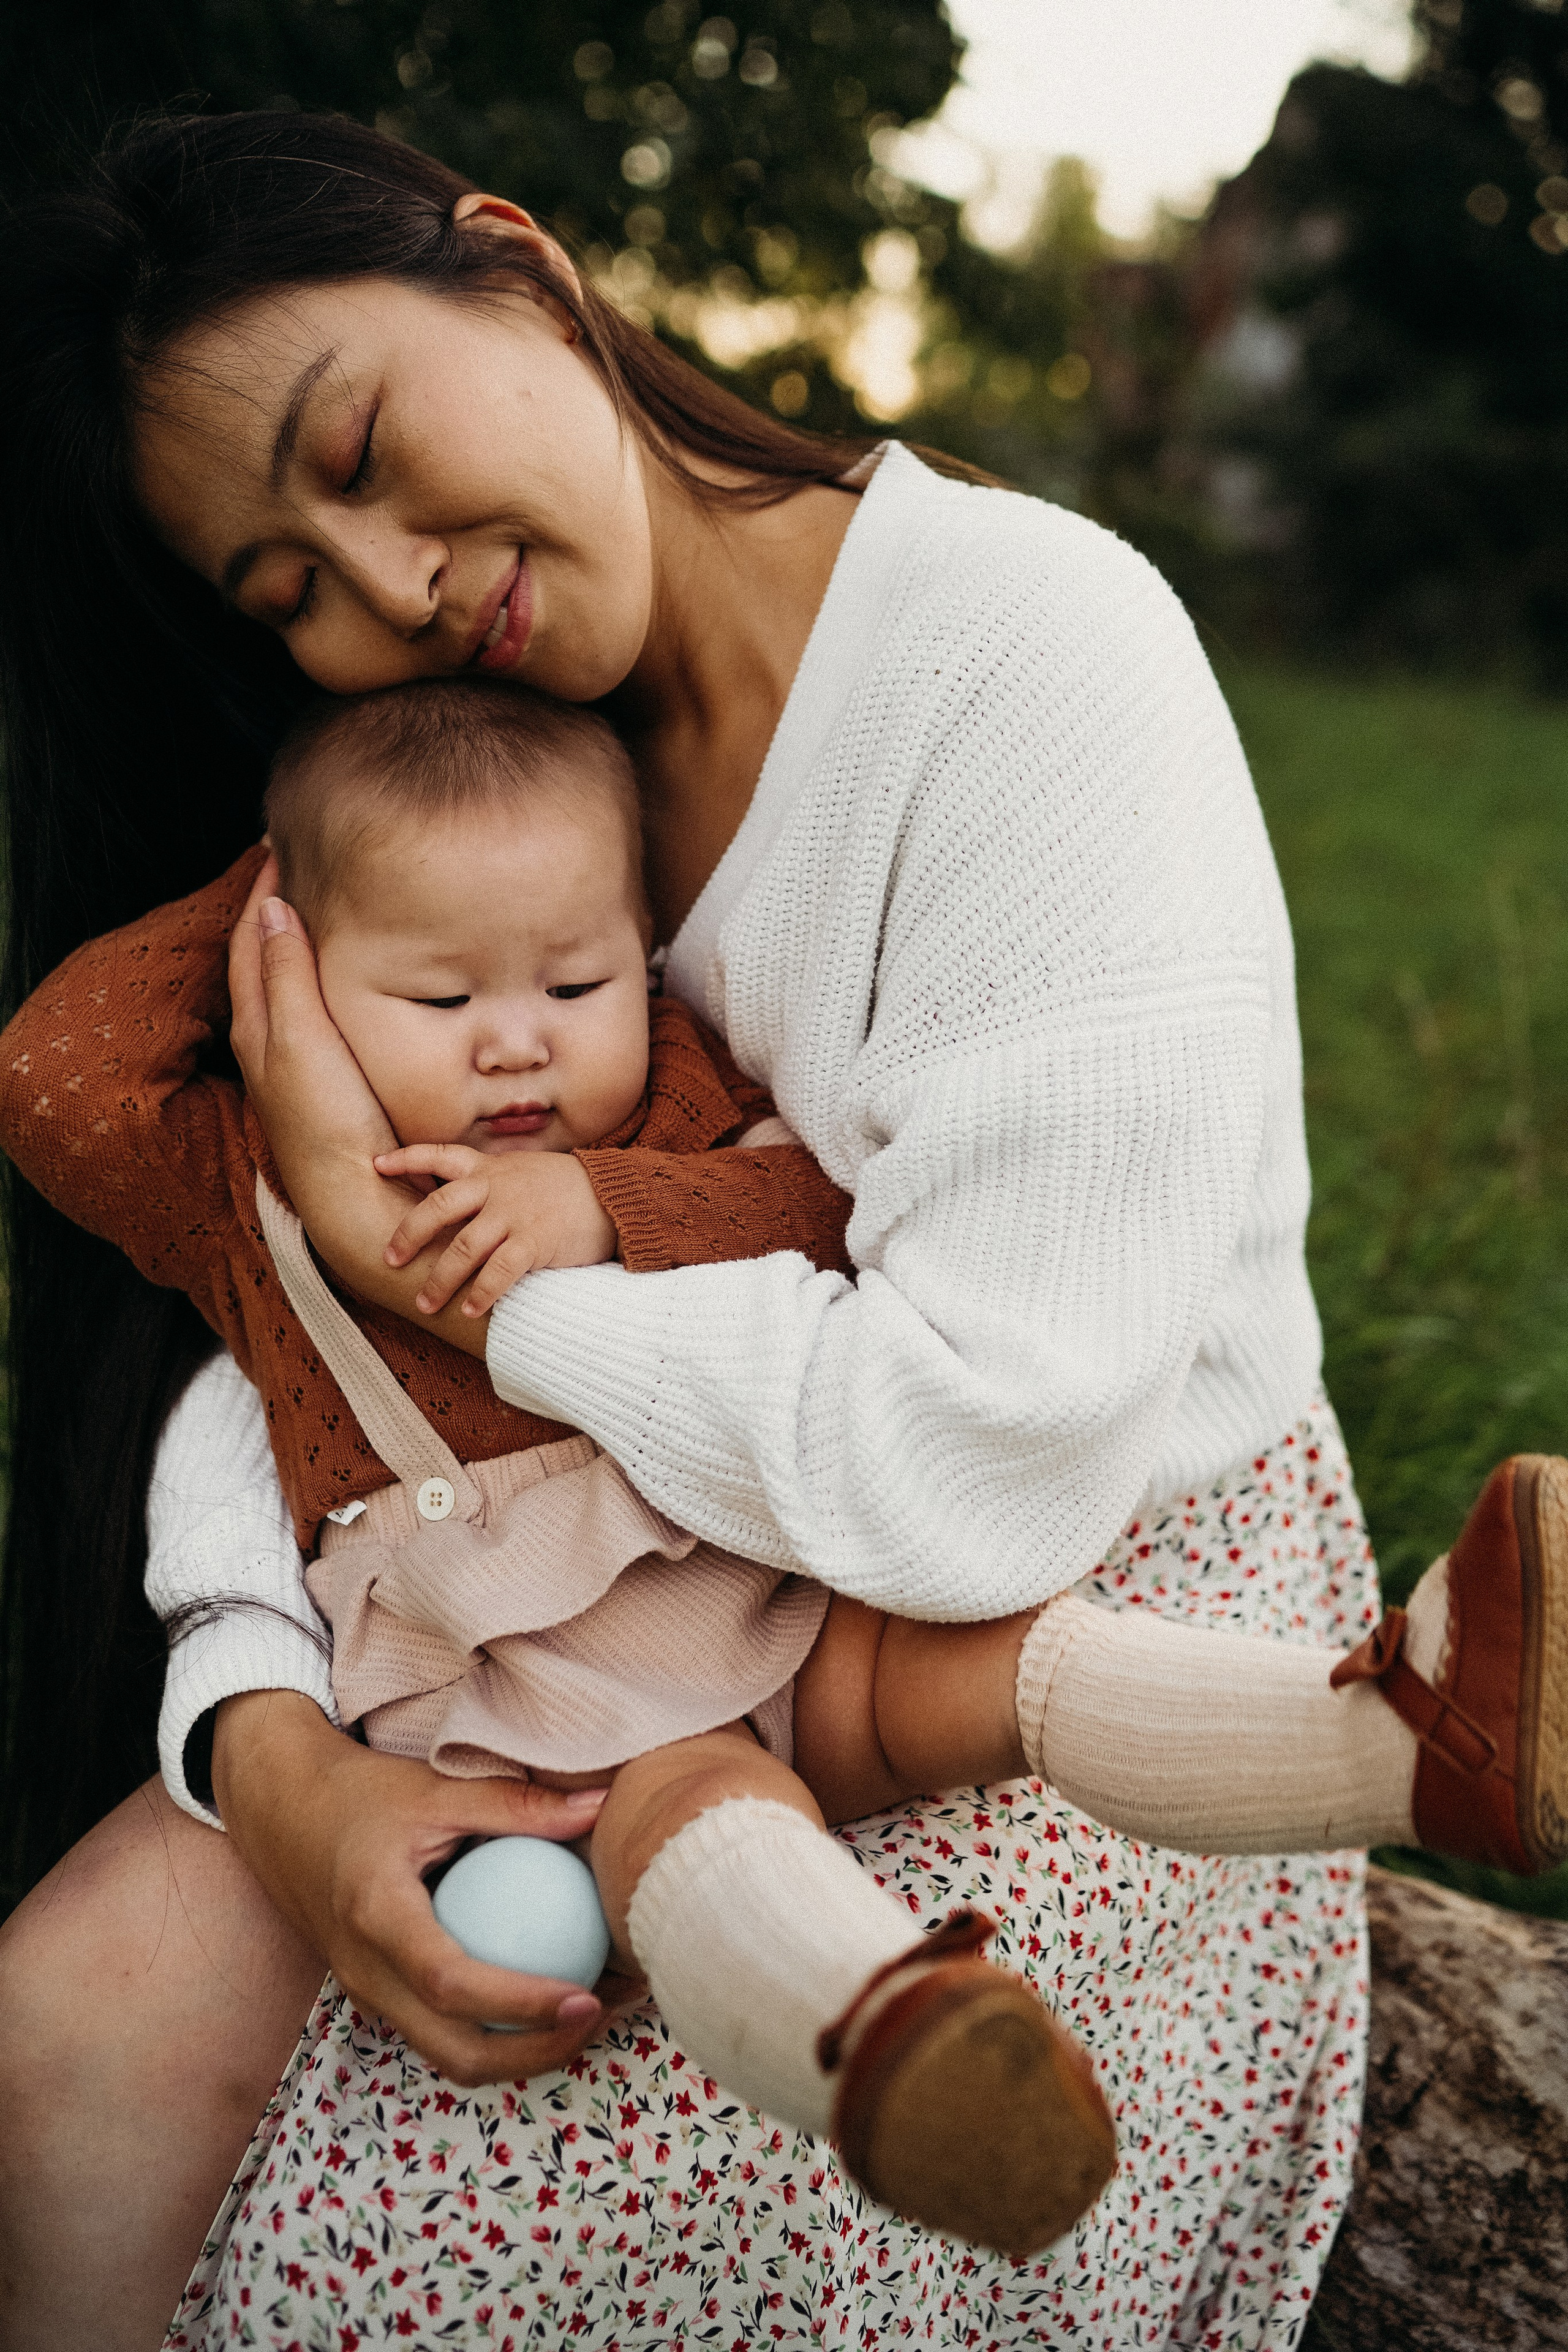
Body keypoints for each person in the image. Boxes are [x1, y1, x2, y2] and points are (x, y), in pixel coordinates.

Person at [0, 108, 1559, 2352]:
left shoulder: (1027, 662)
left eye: (362, 444)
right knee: (76, 2039)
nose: (394, 587)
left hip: (1046, 1589)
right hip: (526, 1588)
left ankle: (1383, 1740)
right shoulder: (474, 793)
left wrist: (482, 1271)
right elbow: (200, 1230)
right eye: (290, 595)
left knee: (483, 2267)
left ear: (518, 271)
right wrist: (279, 1760)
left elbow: (985, 1471)